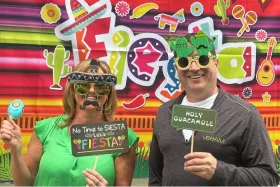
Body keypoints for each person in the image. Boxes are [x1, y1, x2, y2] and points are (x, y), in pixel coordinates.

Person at [148, 32, 280, 187]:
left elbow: (268, 178)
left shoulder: (244, 115)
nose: (194, 67)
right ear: (177, 67)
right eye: (184, 61)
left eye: (203, 60)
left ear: (216, 63)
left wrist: (219, 170)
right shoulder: (165, 112)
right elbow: (156, 176)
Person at [0, 59, 139, 187]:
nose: (91, 91)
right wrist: (15, 150)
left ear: (109, 94)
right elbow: (24, 184)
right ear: (72, 91)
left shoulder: (121, 137)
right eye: (83, 86)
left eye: (100, 87)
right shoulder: (46, 129)